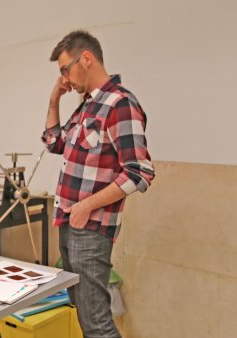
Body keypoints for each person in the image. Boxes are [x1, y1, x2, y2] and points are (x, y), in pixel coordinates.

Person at [42, 30, 155, 337]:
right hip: (70, 221)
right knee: (84, 314)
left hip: (90, 228)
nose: (65, 78)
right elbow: (54, 143)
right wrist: (54, 99)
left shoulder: (120, 104)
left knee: (96, 323)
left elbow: (139, 172)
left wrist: (85, 206)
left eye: (65, 69)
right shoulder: (86, 106)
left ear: (86, 58)